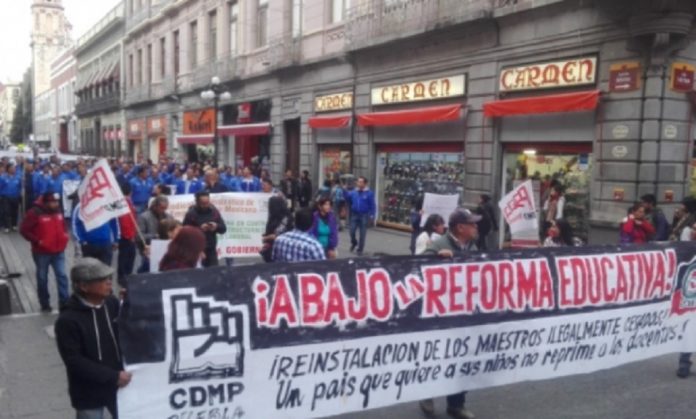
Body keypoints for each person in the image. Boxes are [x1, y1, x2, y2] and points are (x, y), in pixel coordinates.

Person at [55, 257, 132, 419]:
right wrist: (113, 376)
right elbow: (74, 361)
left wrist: (129, 304)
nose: (109, 282)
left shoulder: (111, 303)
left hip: (118, 386)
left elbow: (126, 331)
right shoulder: (67, 320)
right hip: (88, 392)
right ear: (83, 286)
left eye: (109, 278)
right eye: (102, 279)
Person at [422, 208, 480, 419]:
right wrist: (436, 259)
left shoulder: (472, 246)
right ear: (460, 227)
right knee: (436, 356)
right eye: (472, 224)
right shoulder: (439, 245)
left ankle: (456, 404)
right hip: (441, 313)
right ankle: (425, 394)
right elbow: (418, 266)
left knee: (461, 358)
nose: (476, 227)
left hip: (463, 311)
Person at [19, 192, 70, 312]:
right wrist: (37, 241)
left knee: (62, 276)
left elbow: (63, 225)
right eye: (53, 202)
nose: (56, 204)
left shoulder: (58, 211)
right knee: (42, 278)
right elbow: (24, 230)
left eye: (57, 202)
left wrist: (65, 235)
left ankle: (64, 302)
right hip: (41, 252)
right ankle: (44, 303)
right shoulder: (34, 213)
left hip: (58, 250)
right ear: (46, 203)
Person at [183, 191, 227, 267]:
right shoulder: (191, 214)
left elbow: (223, 229)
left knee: (214, 271)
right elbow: (184, 233)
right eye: (203, 203)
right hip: (196, 249)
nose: (206, 205)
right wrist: (199, 229)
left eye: (207, 202)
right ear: (197, 202)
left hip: (211, 248)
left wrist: (216, 226)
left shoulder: (214, 212)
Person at [136, 195, 172, 273]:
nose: (163, 210)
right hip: (149, 250)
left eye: (165, 208)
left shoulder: (169, 217)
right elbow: (138, 236)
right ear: (155, 206)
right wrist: (154, 236)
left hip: (165, 248)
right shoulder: (143, 217)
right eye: (162, 208)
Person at [346, 176, 376, 255]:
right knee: (351, 231)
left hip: (364, 215)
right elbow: (347, 198)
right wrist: (344, 191)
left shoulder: (369, 193)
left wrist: (372, 215)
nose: (358, 183)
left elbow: (372, 205)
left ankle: (360, 249)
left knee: (362, 234)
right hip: (354, 214)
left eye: (360, 182)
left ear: (365, 184)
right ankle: (354, 242)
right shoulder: (354, 191)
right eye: (358, 181)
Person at [260, 196, 294, 263]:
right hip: (272, 248)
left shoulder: (286, 218)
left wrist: (266, 238)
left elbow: (278, 234)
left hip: (283, 248)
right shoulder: (273, 216)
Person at [117, 182, 138, 285]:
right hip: (127, 235)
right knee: (125, 257)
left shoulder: (128, 202)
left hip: (129, 233)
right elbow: (125, 221)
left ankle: (126, 275)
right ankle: (123, 277)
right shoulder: (124, 203)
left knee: (130, 256)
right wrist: (130, 236)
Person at [1, 164, 22, 232]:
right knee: (6, 211)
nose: (13, 169)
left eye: (14, 168)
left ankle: (14, 225)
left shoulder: (18, 177)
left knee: (15, 211)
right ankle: (6, 227)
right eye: (11, 168)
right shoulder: (3, 177)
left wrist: (19, 195)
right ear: (8, 169)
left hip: (15, 197)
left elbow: (20, 187)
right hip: (6, 197)